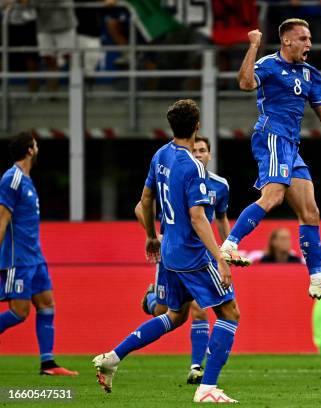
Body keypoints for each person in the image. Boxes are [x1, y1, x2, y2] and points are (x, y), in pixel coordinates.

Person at [93, 99, 239, 403]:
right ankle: (207, 387)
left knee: (175, 315)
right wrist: (219, 258)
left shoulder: (160, 155)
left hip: (170, 252)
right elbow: (198, 217)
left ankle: (113, 357)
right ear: (197, 127)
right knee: (230, 312)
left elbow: (145, 200)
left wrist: (150, 236)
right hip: (193, 254)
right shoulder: (193, 166)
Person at [219, 18, 321, 302]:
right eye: (302, 38)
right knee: (273, 196)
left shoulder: (311, 74)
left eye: (309, 39)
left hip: (291, 145)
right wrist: (253, 46)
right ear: (286, 40)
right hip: (271, 136)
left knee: (310, 211)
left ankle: (317, 279)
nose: (308, 43)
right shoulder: (268, 64)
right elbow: (246, 83)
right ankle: (229, 245)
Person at [136, 135, 231, 385]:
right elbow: (141, 206)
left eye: (203, 150)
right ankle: (151, 299)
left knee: (199, 310)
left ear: (210, 155)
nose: (198, 153)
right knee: (164, 311)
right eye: (196, 149)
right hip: (174, 250)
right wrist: (153, 235)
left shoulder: (220, 186)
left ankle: (197, 367)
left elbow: (220, 218)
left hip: (200, 253)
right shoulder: (179, 172)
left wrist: (228, 248)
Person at [0, 132, 78, 376]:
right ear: (30, 150)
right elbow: (2, 219)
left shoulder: (27, 179)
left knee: (47, 304)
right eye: (35, 144)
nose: (37, 148)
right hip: (18, 258)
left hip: (35, 257)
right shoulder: (11, 178)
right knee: (19, 312)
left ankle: (48, 364)